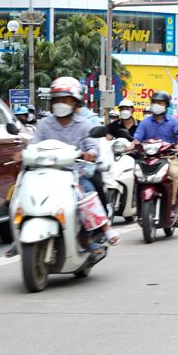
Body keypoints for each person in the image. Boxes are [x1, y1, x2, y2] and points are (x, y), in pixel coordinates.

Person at [25, 77, 118, 252]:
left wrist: (89, 154)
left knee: (88, 195)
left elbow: (93, 147)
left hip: (75, 175)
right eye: (57, 100)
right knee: (22, 192)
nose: (60, 104)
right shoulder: (44, 124)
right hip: (45, 174)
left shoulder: (84, 124)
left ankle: (95, 233)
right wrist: (24, 153)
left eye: (65, 100)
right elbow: (33, 145)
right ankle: (20, 232)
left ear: (75, 102)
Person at [132, 91, 178, 208]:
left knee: (173, 174)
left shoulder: (173, 122)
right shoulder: (145, 122)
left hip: (167, 157)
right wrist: (132, 146)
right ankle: (135, 202)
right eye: (154, 102)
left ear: (166, 105)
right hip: (147, 158)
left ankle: (173, 204)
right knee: (133, 174)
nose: (157, 105)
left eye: (160, 102)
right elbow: (137, 139)